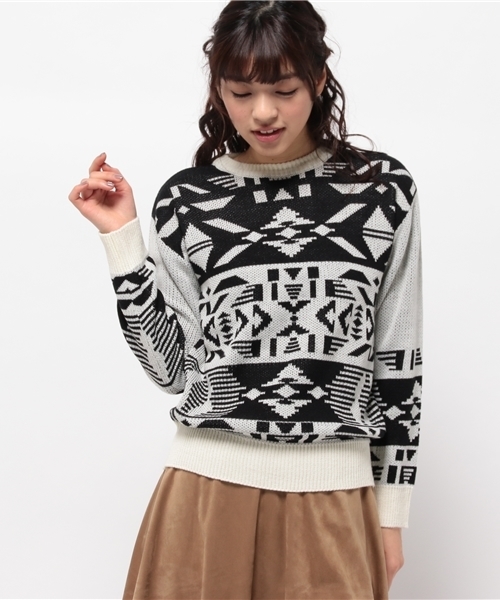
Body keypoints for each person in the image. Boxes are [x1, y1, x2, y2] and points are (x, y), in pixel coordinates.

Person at [68, 1, 423, 598]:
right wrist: (123, 242)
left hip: (335, 495)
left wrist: (392, 515)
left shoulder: (381, 192)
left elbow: (399, 362)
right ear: (218, 90)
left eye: (284, 90)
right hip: (203, 494)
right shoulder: (188, 201)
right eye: (240, 92)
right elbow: (173, 373)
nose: (263, 112)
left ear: (318, 78)